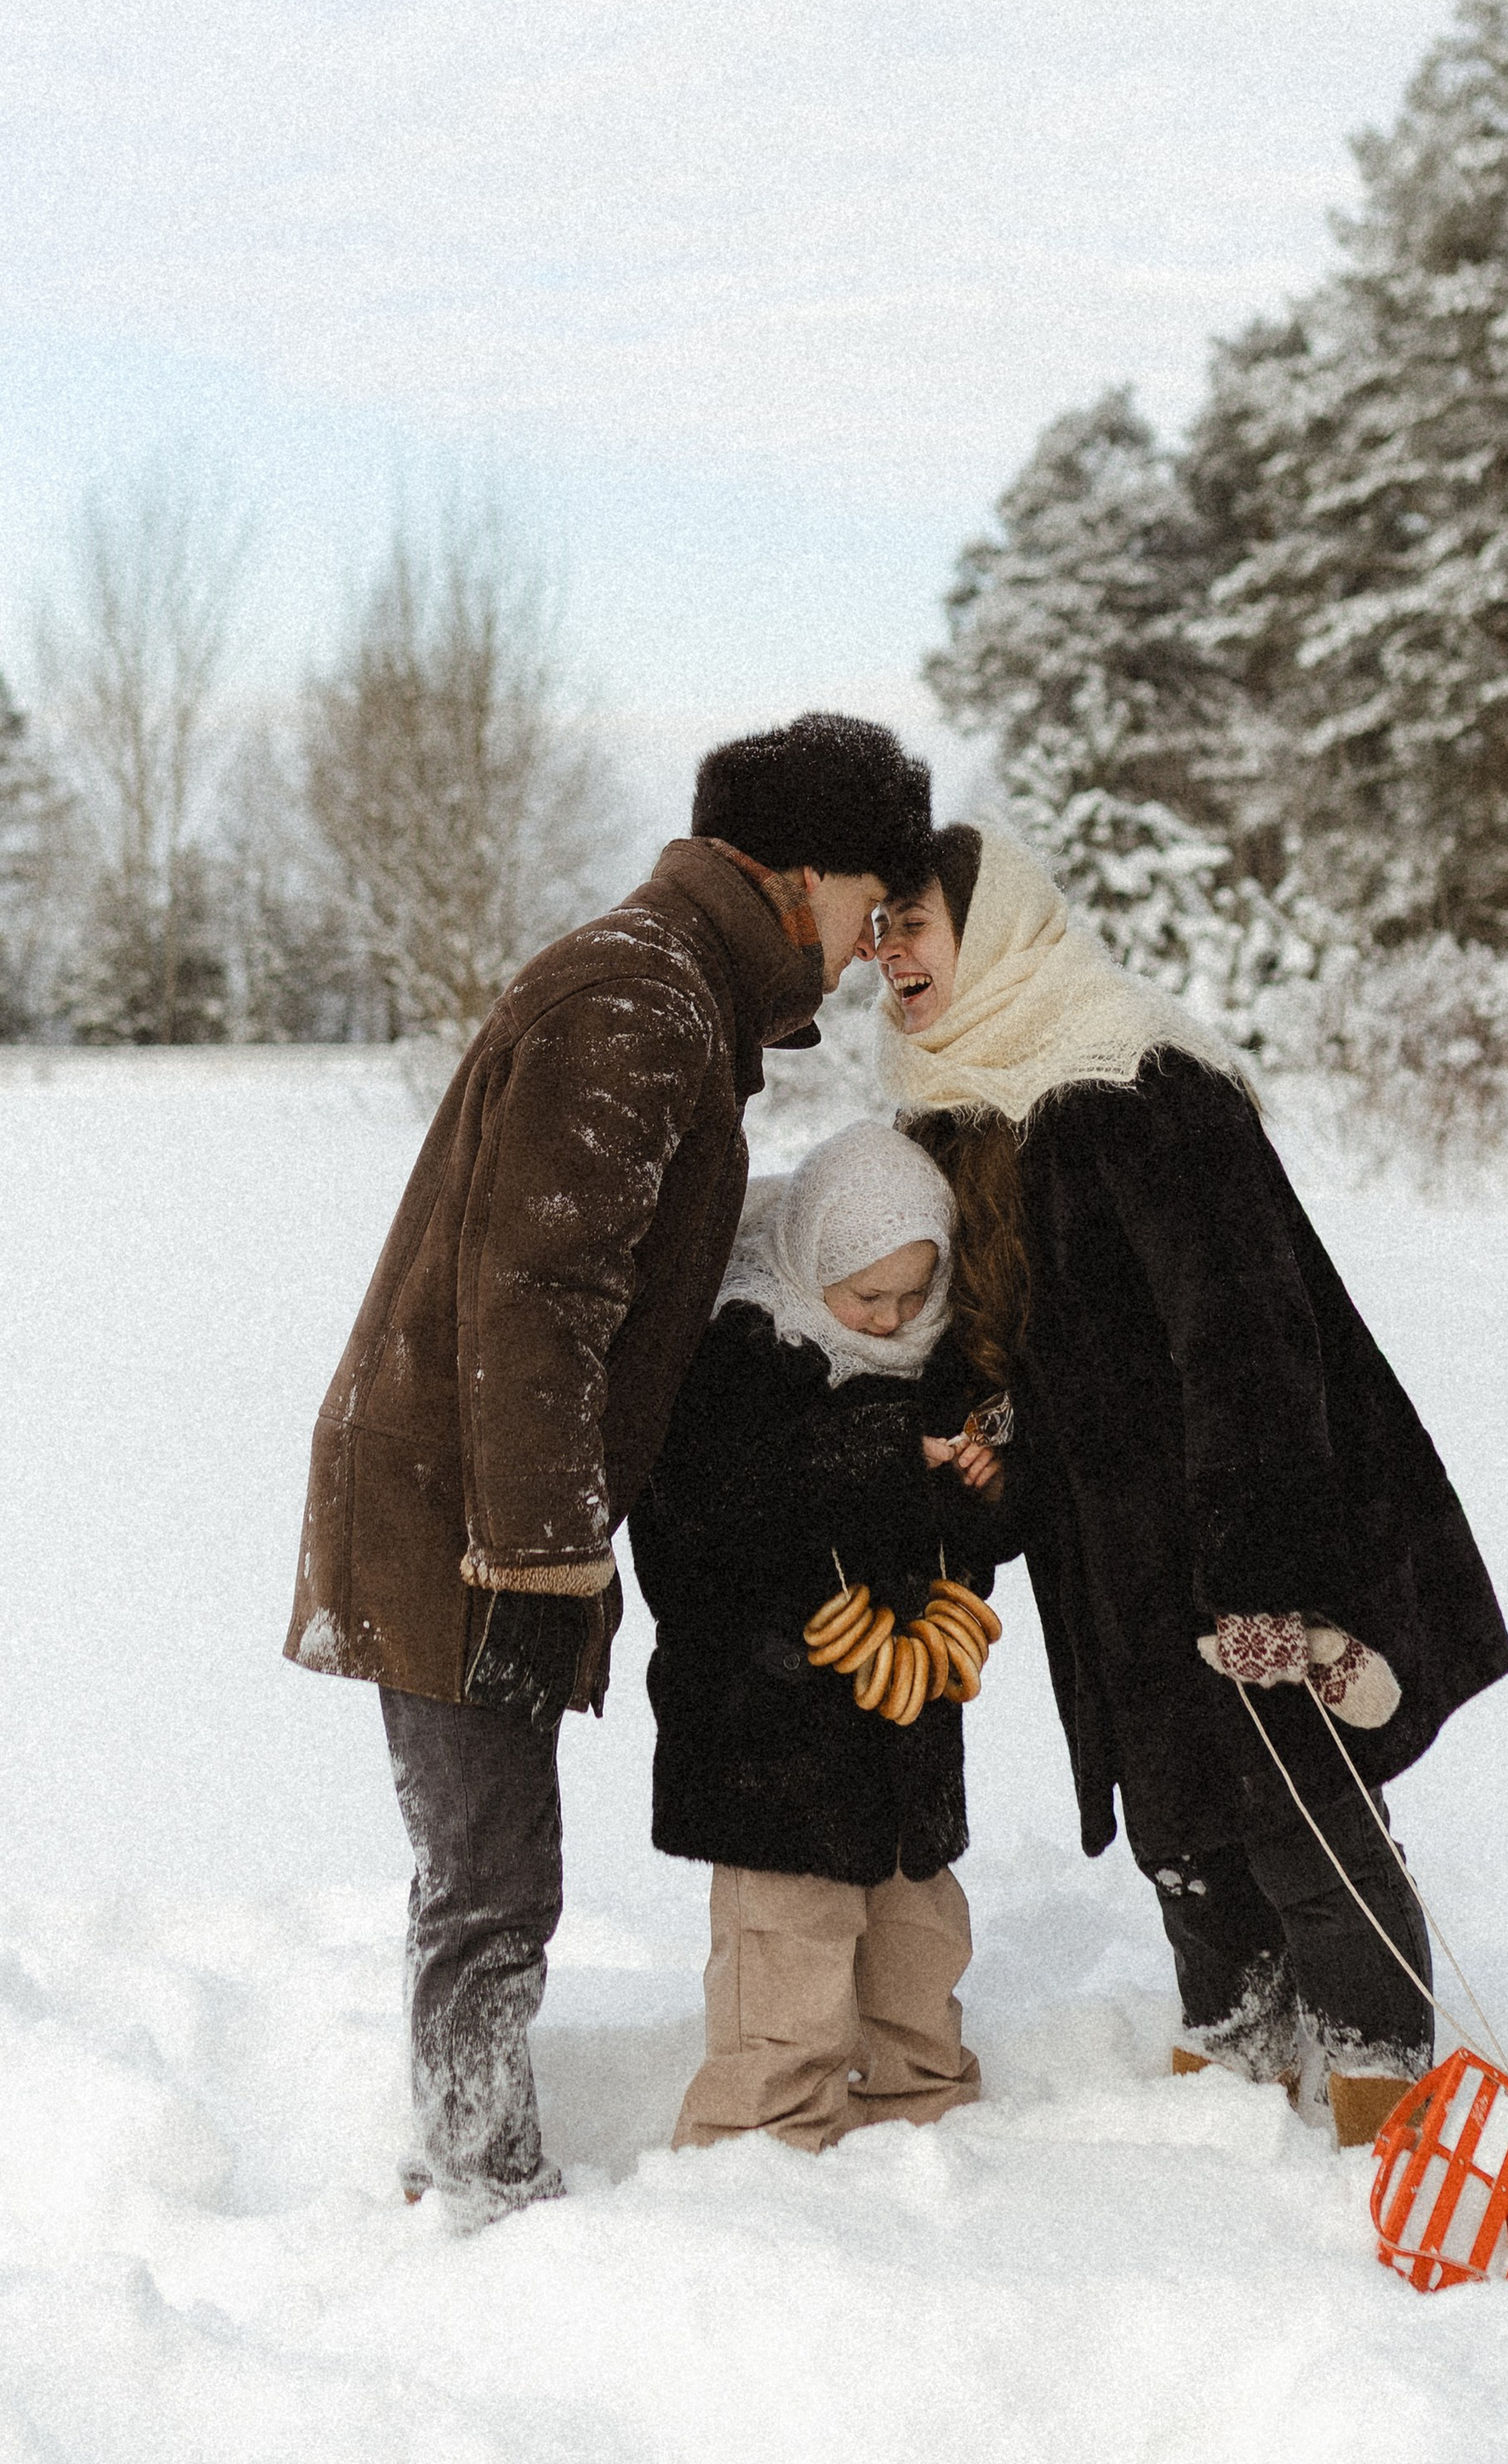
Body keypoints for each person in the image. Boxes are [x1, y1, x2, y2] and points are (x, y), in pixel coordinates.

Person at [283, 712, 934, 2225]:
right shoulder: (640, 999)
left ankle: (466, 2158)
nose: (861, 949)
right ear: (803, 874)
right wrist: (541, 1549)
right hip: (463, 1509)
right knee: (491, 1875)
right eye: (864, 906)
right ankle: (476, 2179)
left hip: (482, 1497)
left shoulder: (671, 991)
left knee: (488, 1864)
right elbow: (538, 1291)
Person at [871, 823, 1508, 2149]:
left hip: (1250, 1506)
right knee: (1177, 1817)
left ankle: (1383, 2088)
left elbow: (1247, 1328)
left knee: (1301, 1808)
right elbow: (987, 1338)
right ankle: (1236, 2055)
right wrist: (982, 1450)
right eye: (876, 930)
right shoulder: (950, 1101)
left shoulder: (1134, 1071)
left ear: (991, 928)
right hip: (1107, 1546)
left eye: (915, 921)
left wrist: (1263, 1568)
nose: (889, 954)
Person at [629, 1121, 1014, 2153]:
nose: (889, 1319)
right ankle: (758, 2153)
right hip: (767, 1740)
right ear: (811, 1262)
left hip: (902, 1733)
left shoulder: (939, 1370)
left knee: (917, 1952)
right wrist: (888, 1453)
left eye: (909, 1297)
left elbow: (972, 1547)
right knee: (786, 1964)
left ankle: (922, 2126)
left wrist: (981, 1496)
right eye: (865, 1297)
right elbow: (712, 1508)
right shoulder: (741, 1355)